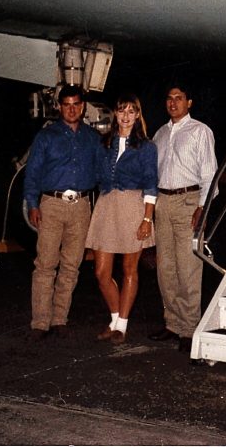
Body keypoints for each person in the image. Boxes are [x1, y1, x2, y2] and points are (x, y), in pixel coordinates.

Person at [22, 84, 99, 340]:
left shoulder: (91, 137)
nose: (72, 109)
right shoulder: (46, 136)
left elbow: (102, 172)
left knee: (71, 265)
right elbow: (32, 172)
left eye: (76, 104)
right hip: (51, 205)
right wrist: (33, 204)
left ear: (83, 106)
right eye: (67, 104)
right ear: (59, 107)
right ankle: (40, 322)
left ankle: (59, 319)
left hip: (81, 206)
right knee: (45, 264)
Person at [148, 82, 218, 352]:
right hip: (163, 202)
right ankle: (172, 323)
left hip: (189, 202)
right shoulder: (160, 134)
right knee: (166, 268)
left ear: (189, 103)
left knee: (188, 268)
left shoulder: (200, 131)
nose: (173, 102)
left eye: (179, 98)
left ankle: (189, 328)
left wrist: (202, 207)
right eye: (169, 98)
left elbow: (210, 174)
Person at [86, 93, 158, 344]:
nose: (125, 116)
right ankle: (115, 318)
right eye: (121, 110)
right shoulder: (103, 143)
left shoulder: (147, 147)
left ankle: (121, 327)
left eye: (131, 111)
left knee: (129, 269)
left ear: (138, 115)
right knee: (101, 272)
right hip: (106, 206)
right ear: (115, 114)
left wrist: (147, 219)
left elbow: (151, 184)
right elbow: (94, 175)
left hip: (133, 207)